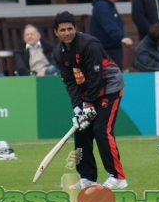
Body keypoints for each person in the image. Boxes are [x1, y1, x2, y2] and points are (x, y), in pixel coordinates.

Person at [53, 11, 127, 190]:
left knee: (102, 130)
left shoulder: (89, 44)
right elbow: (70, 82)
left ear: (75, 29)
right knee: (82, 132)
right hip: (89, 92)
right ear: (56, 32)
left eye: (70, 29)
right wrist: (78, 109)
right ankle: (87, 177)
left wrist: (87, 105)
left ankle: (118, 177)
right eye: (62, 30)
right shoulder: (58, 53)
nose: (67, 33)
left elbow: (95, 77)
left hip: (109, 87)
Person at [90, 0, 132, 67]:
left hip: (112, 47)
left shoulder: (109, 5)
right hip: (106, 48)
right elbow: (109, 24)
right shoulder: (102, 6)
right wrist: (121, 37)